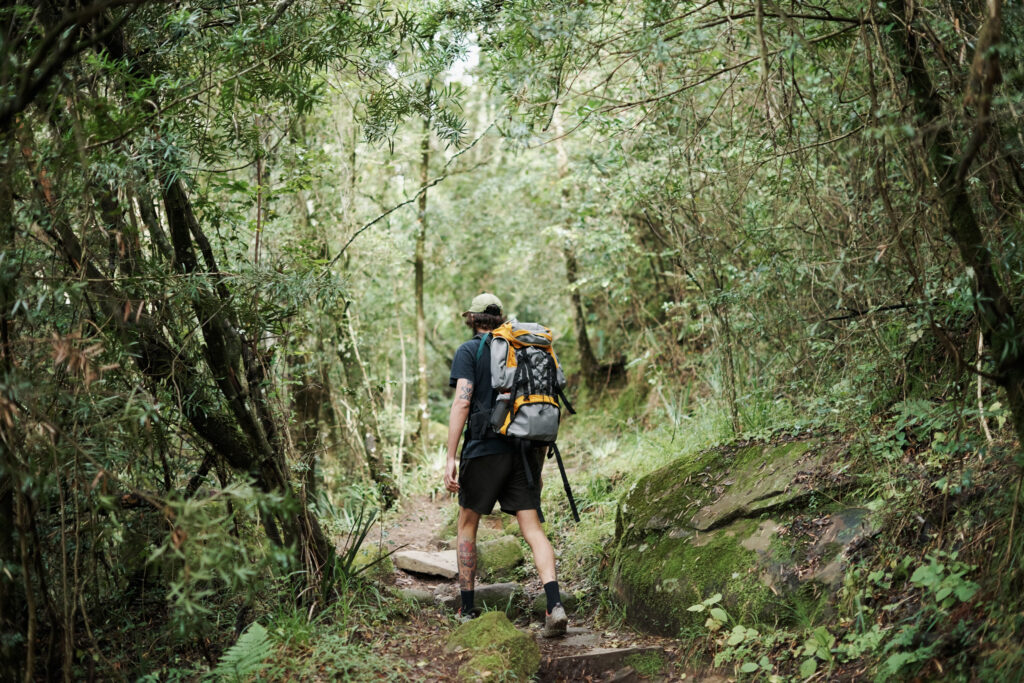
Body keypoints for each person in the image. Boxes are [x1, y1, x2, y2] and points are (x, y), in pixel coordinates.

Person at [443, 292, 568, 637]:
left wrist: (451, 456)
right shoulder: (521, 347)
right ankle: (554, 604)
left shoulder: (469, 351)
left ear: (472, 319)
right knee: (532, 527)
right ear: (501, 319)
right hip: (525, 449)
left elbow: (462, 403)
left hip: (485, 446)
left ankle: (467, 610)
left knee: (468, 522)